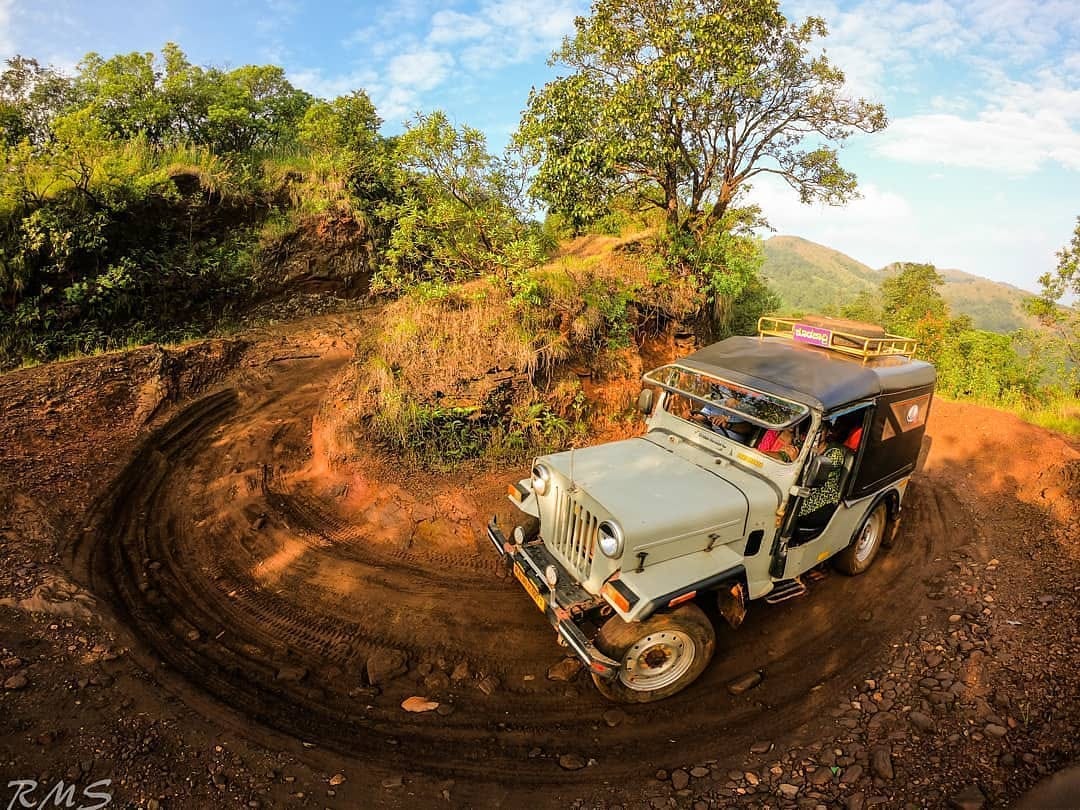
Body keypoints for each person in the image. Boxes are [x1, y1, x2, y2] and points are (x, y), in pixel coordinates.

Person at [798, 425, 852, 526]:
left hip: (822, 500)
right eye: (815, 428)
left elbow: (812, 476)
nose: (817, 432)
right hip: (802, 494)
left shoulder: (834, 453)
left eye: (821, 429)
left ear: (827, 432)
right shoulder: (804, 447)